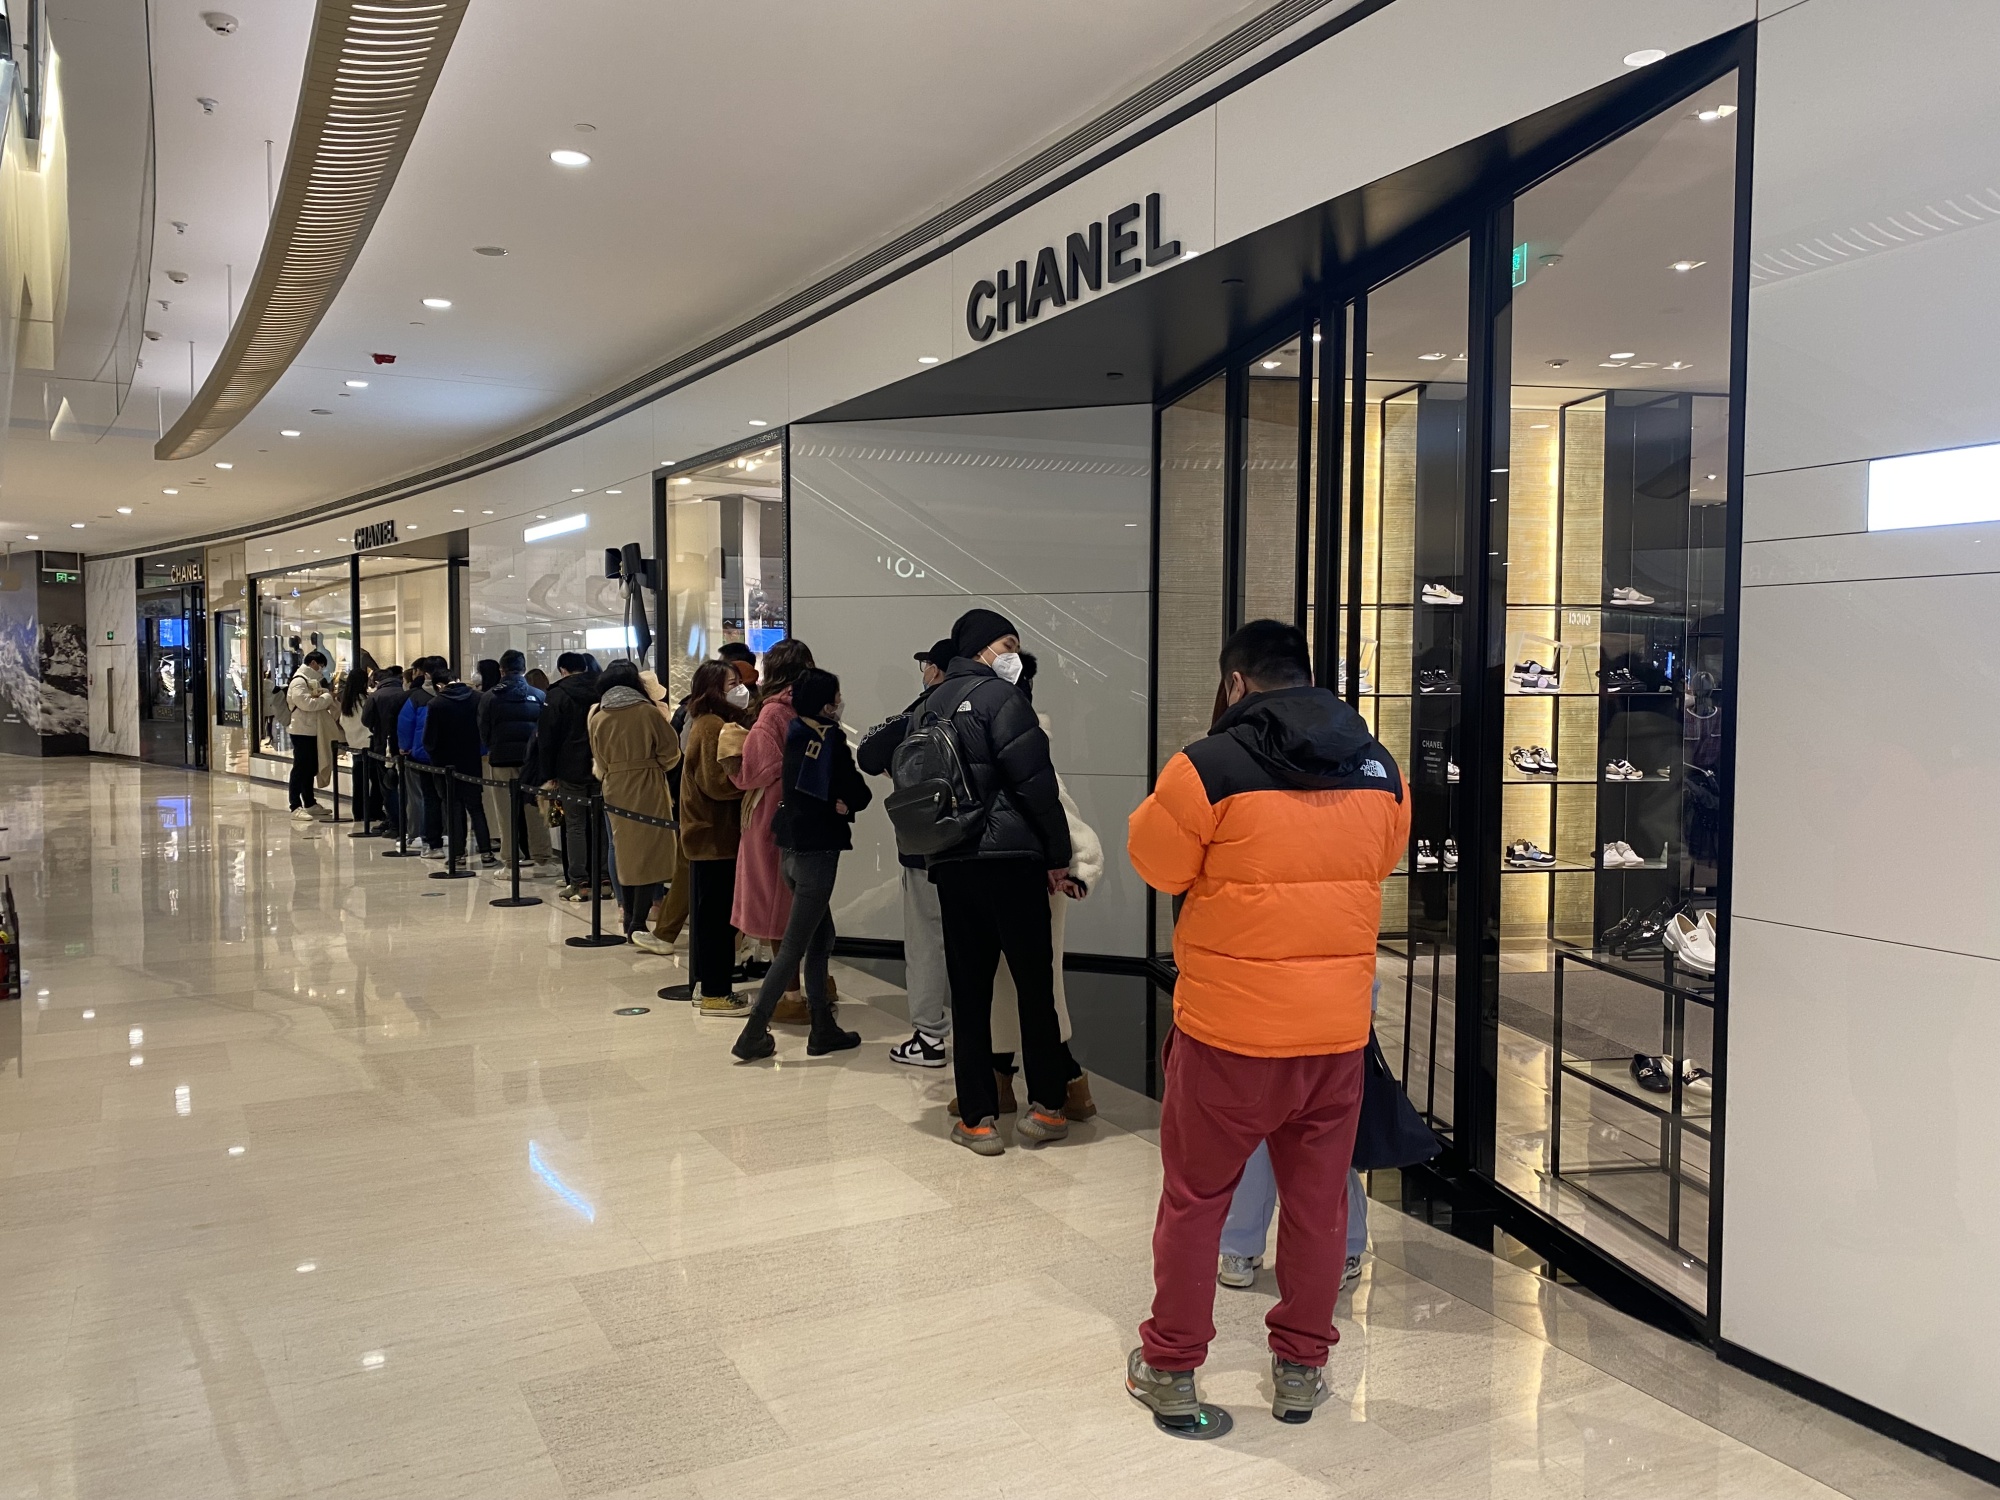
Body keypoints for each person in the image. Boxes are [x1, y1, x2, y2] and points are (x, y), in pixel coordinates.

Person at [1123, 619, 1408, 1430]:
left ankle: (1172, 1367)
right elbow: (1378, 860)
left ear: (1236, 683)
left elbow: (1157, 864)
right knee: (1318, 1209)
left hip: (1226, 1034)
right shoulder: (1379, 767)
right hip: (1334, 1037)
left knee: (1195, 1200)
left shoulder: (1206, 765)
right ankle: (1299, 1371)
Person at [920, 609, 1072, 1157]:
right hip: (1012, 861)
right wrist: (1059, 853)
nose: (1012, 653)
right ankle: (1048, 1107)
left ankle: (979, 1119)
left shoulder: (928, 703)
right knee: (1034, 987)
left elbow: (882, 759)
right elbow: (1036, 785)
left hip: (952, 863)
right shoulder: (1003, 700)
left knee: (968, 992)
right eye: (1007, 643)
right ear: (984, 646)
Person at [982, 653, 1099, 1122]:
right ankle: (1047, 1085)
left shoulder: (1025, 732)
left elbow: (1059, 807)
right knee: (1015, 989)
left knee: (1025, 989)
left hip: (1031, 877)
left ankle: (1061, 1084)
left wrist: (1080, 864)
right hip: (1015, 874)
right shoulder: (1010, 726)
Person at [732, 667, 870, 1061]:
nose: (841, 703)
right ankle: (754, 1030)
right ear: (828, 704)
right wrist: (844, 802)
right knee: (794, 946)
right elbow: (857, 792)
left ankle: (822, 1026)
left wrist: (836, 799)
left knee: (821, 936)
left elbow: (804, 788)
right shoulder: (831, 740)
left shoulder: (793, 732)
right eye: (837, 696)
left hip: (789, 849)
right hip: (817, 853)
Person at [858, 638, 956, 1070]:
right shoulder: (998, 704)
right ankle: (987, 1038)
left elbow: (869, 751)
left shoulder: (925, 708)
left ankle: (930, 1037)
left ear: (935, 669)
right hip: (981, 849)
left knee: (926, 942)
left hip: (927, 848)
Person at [731, 638, 815, 1023]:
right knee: (808, 901)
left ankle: (792, 994)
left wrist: (734, 769)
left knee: (776, 904)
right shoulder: (815, 705)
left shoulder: (770, 714)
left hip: (772, 814)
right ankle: (817, 982)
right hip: (810, 811)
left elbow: (758, 769)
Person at [667, 660, 749, 1016]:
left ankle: (706, 985)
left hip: (706, 835)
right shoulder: (712, 725)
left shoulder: (704, 723)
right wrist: (748, 785)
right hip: (714, 836)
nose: (738, 688)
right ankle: (717, 991)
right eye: (731, 683)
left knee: (708, 916)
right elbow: (716, 783)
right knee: (716, 919)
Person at [587, 658, 682, 948]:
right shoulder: (647, 711)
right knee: (649, 854)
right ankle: (639, 921)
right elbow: (670, 751)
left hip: (613, 785)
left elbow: (598, 757)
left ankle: (628, 917)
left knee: (623, 850)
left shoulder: (597, 713)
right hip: (647, 784)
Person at [536, 651, 606, 899]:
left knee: (575, 825)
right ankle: (605, 878)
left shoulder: (556, 695)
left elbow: (546, 738)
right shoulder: (601, 690)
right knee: (602, 824)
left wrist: (549, 772)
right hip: (600, 767)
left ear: (563, 670)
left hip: (569, 769)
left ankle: (579, 881)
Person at [480, 649, 552, 872]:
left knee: (505, 812)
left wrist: (495, 747)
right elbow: (545, 729)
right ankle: (542, 860)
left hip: (501, 760)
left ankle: (511, 862)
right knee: (536, 810)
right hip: (531, 763)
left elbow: (484, 731)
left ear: (502, 670)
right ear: (523, 668)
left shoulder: (490, 697)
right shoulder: (538, 696)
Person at [422, 667, 498, 867]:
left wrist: (434, 756)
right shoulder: (477, 698)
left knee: (453, 809)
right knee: (476, 808)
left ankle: (457, 854)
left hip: (445, 764)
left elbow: (429, 739)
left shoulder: (436, 704)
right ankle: (486, 852)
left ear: (439, 685)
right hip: (471, 761)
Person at [396, 657, 448, 856]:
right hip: (451, 756)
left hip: (423, 755)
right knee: (451, 798)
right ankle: (452, 837)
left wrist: (404, 747)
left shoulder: (416, 697)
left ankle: (433, 843)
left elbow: (405, 724)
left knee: (430, 798)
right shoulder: (458, 693)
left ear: (425, 674)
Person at [286, 649, 338, 820]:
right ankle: (295, 805)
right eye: (321, 666)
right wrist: (326, 699)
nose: (322, 670)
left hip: (312, 730)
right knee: (301, 768)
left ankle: (309, 802)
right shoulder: (299, 681)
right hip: (301, 731)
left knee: (311, 767)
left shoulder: (310, 680)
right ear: (314, 663)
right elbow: (306, 704)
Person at [362, 662, 408, 838]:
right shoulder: (404, 694)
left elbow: (366, 720)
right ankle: (403, 821)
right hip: (403, 745)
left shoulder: (376, 696)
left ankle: (395, 823)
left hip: (383, 745)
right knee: (402, 785)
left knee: (387, 785)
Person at [336, 656, 379, 827]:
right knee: (375, 781)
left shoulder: (347, 702)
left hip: (354, 746)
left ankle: (358, 811)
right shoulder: (366, 701)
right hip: (368, 745)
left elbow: (343, 722)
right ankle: (373, 811)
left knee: (359, 781)